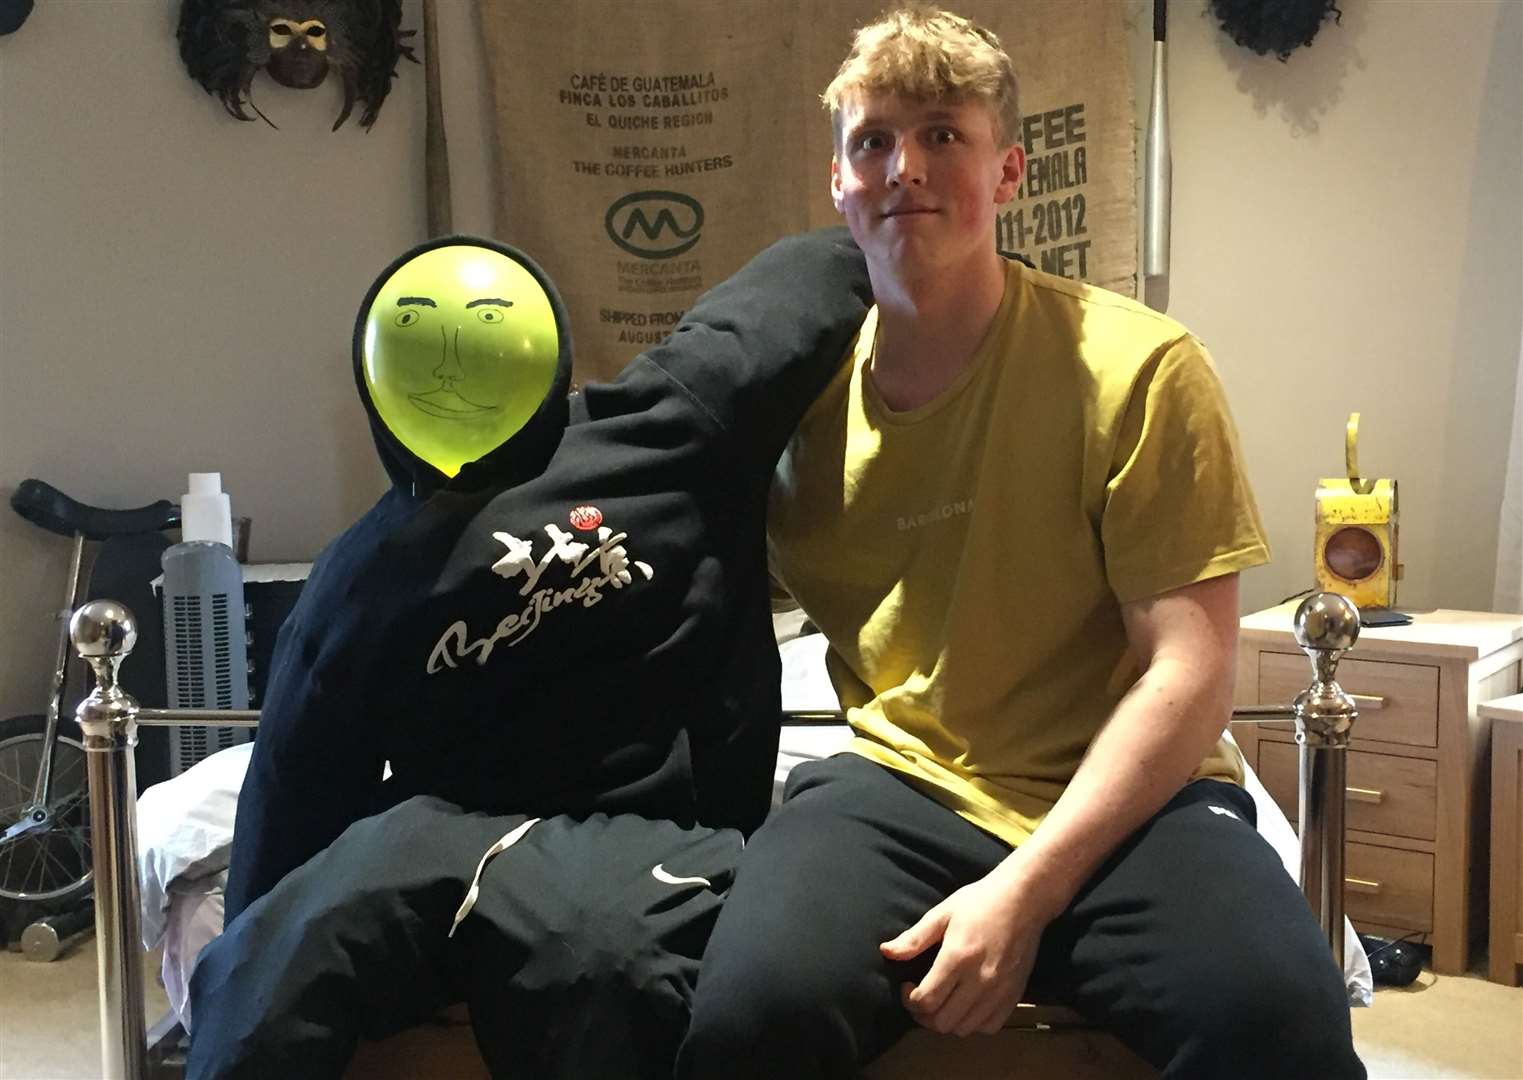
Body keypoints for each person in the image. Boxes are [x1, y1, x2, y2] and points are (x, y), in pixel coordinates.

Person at [677, 7, 1366, 1078]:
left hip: (1133, 798)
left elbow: (1188, 673)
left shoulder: (1134, 368)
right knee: (744, 1018)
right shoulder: (787, 399)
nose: (904, 166)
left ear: (1006, 174)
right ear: (836, 186)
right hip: (896, 784)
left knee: (1279, 1023)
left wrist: (1023, 892)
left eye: (942, 134)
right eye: (873, 141)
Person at [185, 230, 871, 1079]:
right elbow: (293, 789)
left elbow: (824, 272)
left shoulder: (668, 423)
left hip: (646, 833)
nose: (447, 370)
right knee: (270, 963)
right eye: (421, 349)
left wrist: (966, 273)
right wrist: (257, 930)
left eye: (475, 333)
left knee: (609, 964)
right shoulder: (364, 572)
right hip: (429, 835)